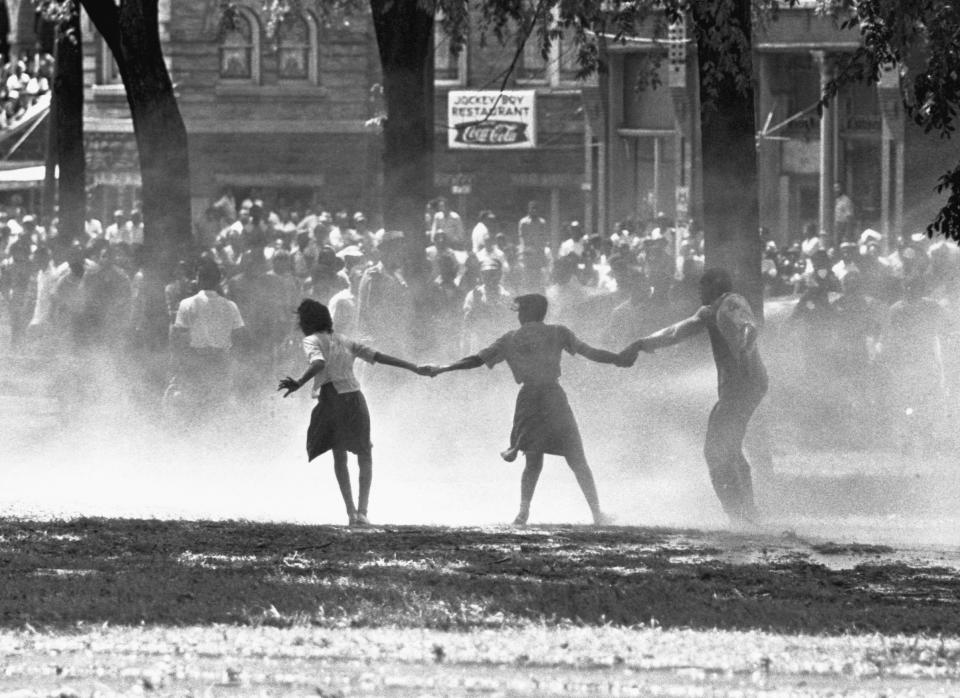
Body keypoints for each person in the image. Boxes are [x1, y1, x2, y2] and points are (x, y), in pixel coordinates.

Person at [425, 293, 632, 526]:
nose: (519, 315)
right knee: (576, 458)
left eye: (521, 310)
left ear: (527, 313)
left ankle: (523, 512)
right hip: (553, 396)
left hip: (529, 399)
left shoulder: (511, 338)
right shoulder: (558, 332)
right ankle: (596, 514)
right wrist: (617, 359)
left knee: (533, 460)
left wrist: (444, 368)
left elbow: (476, 360)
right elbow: (590, 352)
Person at [625, 268, 768, 526]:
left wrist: (745, 347)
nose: (699, 292)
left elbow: (748, 327)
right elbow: (676, 331)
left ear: (715, 285)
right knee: (729, 449)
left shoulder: (730, 301)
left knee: (716, 451)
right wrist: (644, 343)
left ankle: (740, 516)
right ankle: (747, 512)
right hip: (739, 387)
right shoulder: (711, 311)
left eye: (702, 287)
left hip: (742, 387)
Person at [278, 299, 428, 526]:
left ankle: (351, 512)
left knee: (340, 454)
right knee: (364, 453)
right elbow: (378, 356)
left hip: (333, 399)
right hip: (356, 398)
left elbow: (318, 363)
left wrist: (298, 382)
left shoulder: (311, 341)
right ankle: (363, 511)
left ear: (306, 322)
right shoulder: (344, 340)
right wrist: (413, 367)